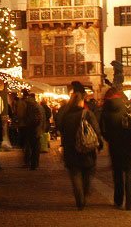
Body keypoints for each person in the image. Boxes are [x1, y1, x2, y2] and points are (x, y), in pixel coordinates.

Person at [100, 87, 131, 211]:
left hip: (115, 146)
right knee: (130, 173)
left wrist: (110, 138)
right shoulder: (127, 107)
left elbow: (102, 129)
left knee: (117, 174)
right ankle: (130, 202)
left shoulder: (105, 110)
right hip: (129, 144)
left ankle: (118, 199)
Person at [58, 82, 102, 210]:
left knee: (75, 173)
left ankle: (80, 200)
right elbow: (96, 129)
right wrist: (99, 143)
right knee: (88, 171)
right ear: (81, 100)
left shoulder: (64, 114)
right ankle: (85, 192)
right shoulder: (86, 113)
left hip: (70, 147)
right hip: (86, 147)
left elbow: (60, 127)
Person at [17, 92, 44, 170]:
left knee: (30, 146)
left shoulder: (28, 106)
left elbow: (21, 116)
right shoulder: (37, 106)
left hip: (29, 128)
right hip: (35, 128)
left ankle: (31, 163)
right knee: (35, 146)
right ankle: (34, 163)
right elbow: (40, 118)